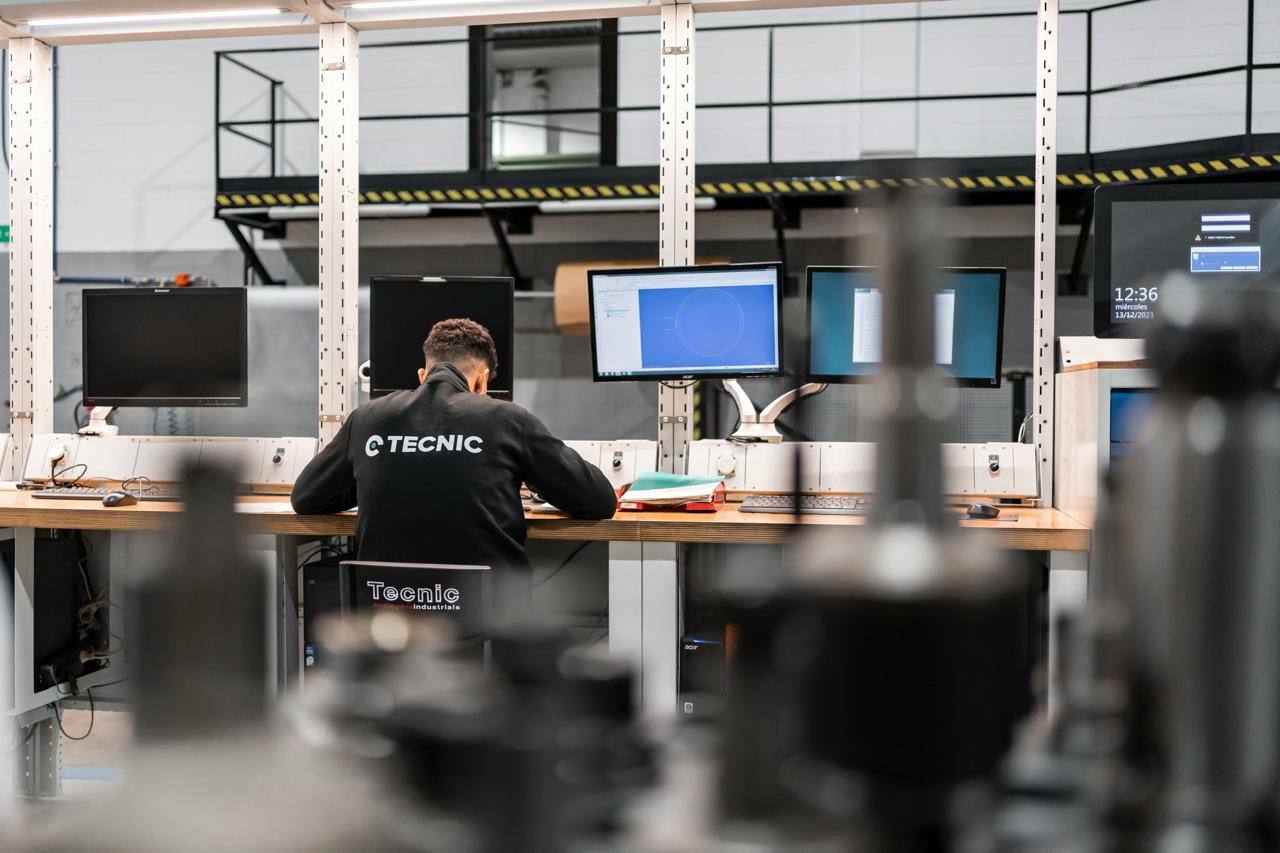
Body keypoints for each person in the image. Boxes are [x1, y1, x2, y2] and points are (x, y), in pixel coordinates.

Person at [291, 318, 618, 577]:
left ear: (423, 375)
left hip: (391, 620)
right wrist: (533, 477)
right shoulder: (509, 420)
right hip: (488, 623)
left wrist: (373, 479)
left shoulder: (366, 418)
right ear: (482, 381)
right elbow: (599, 501)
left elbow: (306, 497)